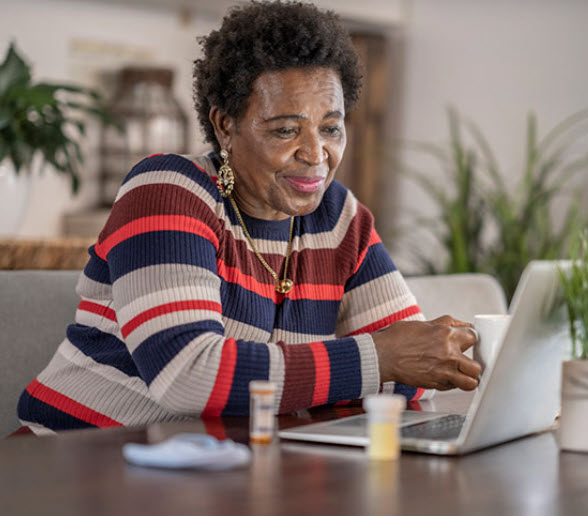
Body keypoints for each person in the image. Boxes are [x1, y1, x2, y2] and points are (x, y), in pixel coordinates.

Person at [17, 1, 481, 434]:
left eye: (331, 128)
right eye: (285, 130)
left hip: (210, 472)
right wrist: (377, 358)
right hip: (72, 460)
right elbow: (190, 375)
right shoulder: (167, 190)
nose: (316, 154)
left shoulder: (339, 218)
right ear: (225, 125)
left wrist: (394, 361)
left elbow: (416, 372)